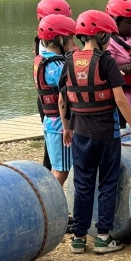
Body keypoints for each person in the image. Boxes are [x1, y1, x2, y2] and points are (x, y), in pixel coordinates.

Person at [58, 10, 131, 254]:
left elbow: (62, 99)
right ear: (101, 35)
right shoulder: (106, 61)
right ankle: (103, 237)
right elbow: (120, 99)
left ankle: (78, 238)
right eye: (108, 35)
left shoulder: (69, 60)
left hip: (80, 133)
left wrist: (66, 128)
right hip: (107, 134)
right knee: (108, 183)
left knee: (83, 183)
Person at [33, 14, 76, 186]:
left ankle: (50, 198)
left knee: (55, 169)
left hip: (49, 122)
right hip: (60, 125)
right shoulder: (59, 67)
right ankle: (51, 200)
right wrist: (67, 127)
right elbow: (63, 98)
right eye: (70, 38)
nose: (73, 43)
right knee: (62, 171)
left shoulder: (42, 60)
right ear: (59, 39)